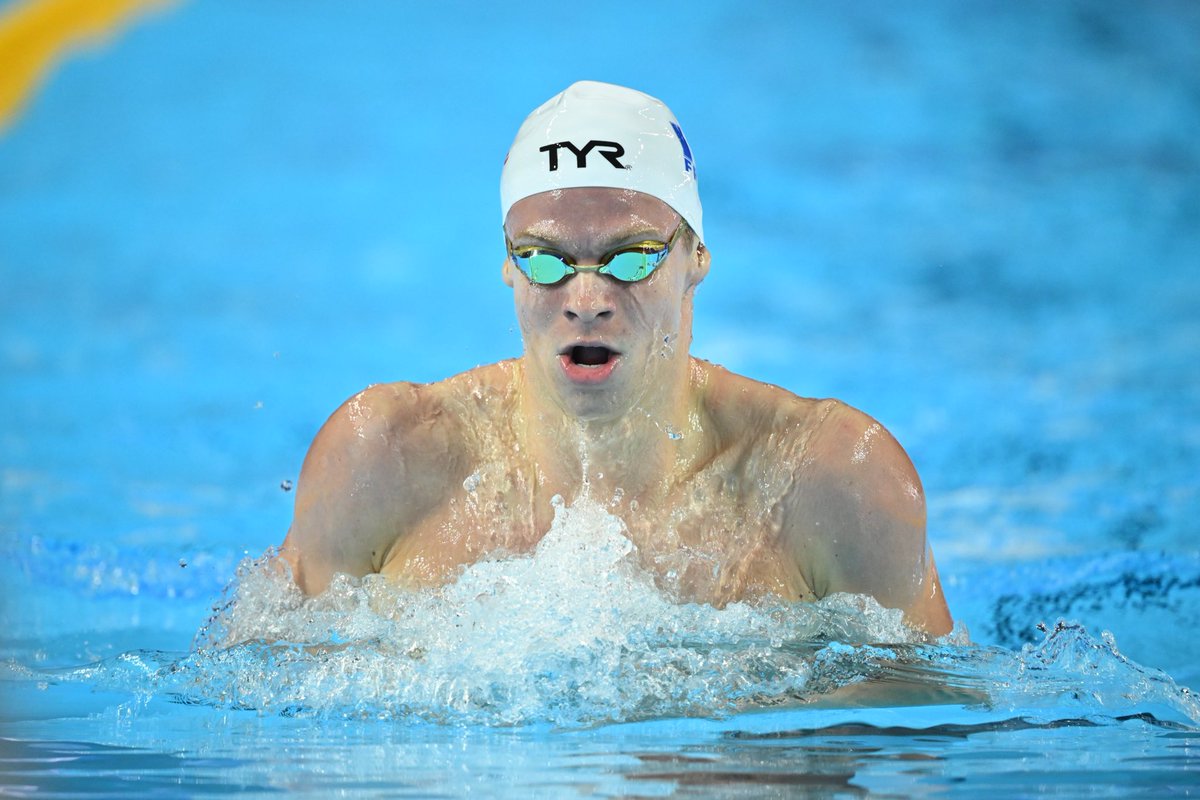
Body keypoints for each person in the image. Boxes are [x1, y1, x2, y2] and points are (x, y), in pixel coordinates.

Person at [278, 80, 953, 636]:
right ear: (508, 269)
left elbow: (923, 731)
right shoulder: (384, 461)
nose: (587, 298)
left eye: (631, 257)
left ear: (696, 259)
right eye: (544, 260)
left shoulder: (830, 481)